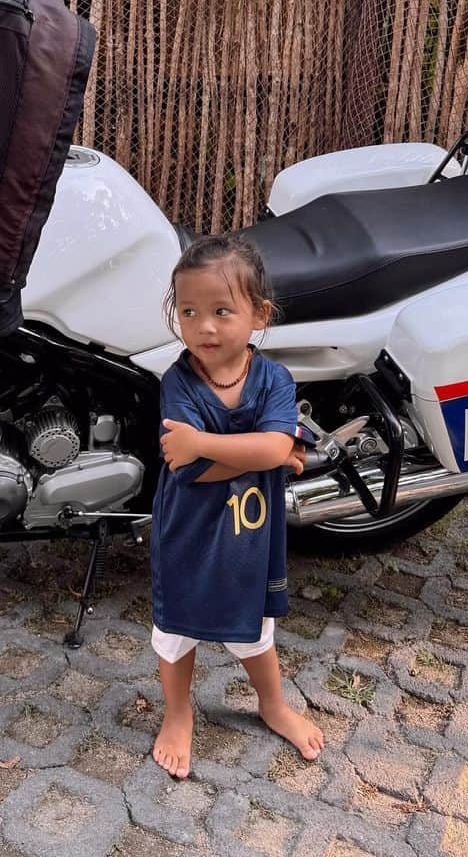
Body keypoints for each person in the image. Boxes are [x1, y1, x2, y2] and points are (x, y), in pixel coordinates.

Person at [151, 233, 325, 779]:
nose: (204, 326)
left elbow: (248, 449)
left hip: (250, 535)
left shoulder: (273, 377)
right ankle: (178, 714)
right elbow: (189, 470)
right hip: (186, 531)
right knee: (175, 632)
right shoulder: (177, 382)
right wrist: (266, 455)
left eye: (222, 311)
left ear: (259, 314)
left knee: (254, 630)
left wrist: (205, 443)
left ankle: (272, 704)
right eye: (189, 311)